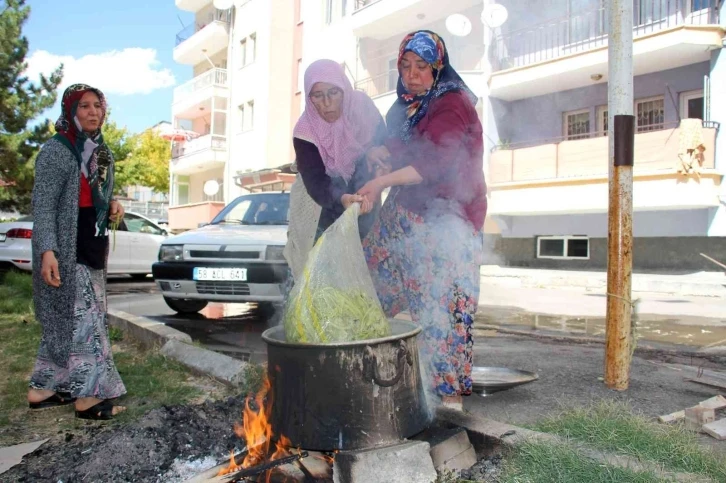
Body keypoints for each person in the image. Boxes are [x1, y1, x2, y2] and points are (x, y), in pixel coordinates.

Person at [358, 31, 487, 410]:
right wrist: (379, 158)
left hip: (449, 220)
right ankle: (376, 373)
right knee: (370, 286)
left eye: (421, 67)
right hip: (405, 215)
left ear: (438, 67)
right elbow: (399, 155)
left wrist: (380, 180)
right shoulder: (402, 109)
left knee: (440, 306)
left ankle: (445, 399)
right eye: (405, 66)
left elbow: (435, 163)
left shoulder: (453, 103)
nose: (412, 74)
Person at [27, 84, 127, 420]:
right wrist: (47, 251)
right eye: (84, 106)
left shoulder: (97, 150)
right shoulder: (57, 150)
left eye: (98, 105)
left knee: (70, 320)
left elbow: (92, 196)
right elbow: (43, 207)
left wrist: (111, 203)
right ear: (70, 110)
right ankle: (88, 397)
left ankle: (42, 389)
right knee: (86, 322)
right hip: (68, 247)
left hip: (90, 241)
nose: (93, 112)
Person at [283, 59, 386, 287]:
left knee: (363, 270)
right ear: (309, 98)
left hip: (364, 191)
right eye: (317, 95)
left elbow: (382, 141)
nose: (327, 102)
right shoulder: (305, 131)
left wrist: (374, 154)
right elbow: (315, 180)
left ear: (344, 89)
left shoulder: (361, 107)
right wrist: (342, 198)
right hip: (320, 202)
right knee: (320, 271)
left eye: (333, 92)